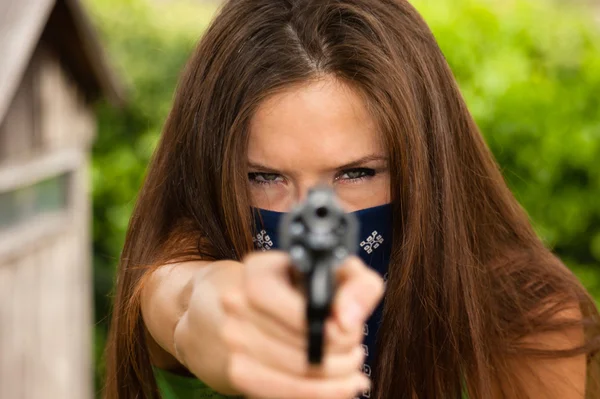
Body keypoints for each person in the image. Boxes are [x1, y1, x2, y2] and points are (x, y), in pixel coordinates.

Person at [103, 0, 600, 398]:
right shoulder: (194, 251)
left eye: (356, 173)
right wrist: (212, 312)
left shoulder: (521, 319)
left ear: (423, 165)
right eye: (264, 177)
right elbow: (182, 296)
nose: (314, 214)